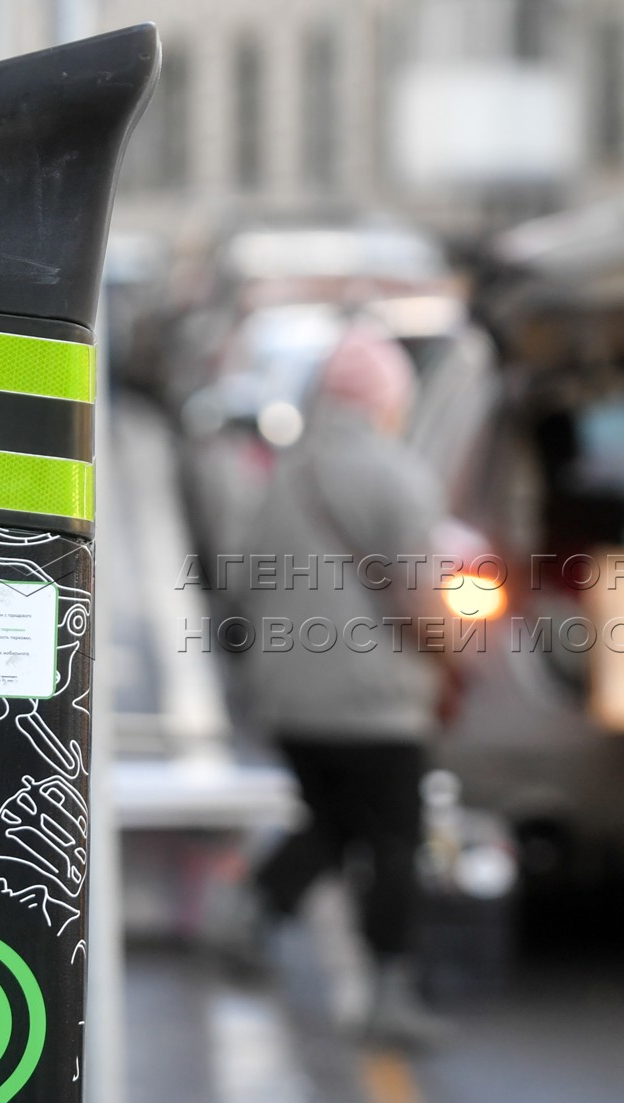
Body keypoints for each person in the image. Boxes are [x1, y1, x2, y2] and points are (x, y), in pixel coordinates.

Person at [227, 321, 452, 1048]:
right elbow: (425, 597)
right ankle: (389, 993)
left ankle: (247, 914)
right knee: (393, 842)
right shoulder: (399, 475)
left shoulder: (283, 475)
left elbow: (239, 586)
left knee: (332, 822)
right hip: (373, 704)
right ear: (388, 401)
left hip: (290, 700)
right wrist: (455, 651)